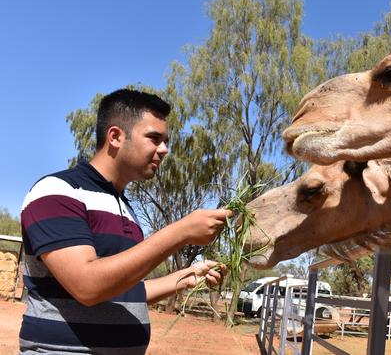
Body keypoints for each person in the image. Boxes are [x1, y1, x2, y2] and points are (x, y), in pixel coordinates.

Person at [19, 89, 232, 354]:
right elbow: (88, 286)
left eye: (166, 141)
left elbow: (125, 292)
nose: (164, 150)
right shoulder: (57, 191)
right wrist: (181, 232)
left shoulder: (127, 210)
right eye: (154, 138)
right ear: (116, 136)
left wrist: (186, 277)